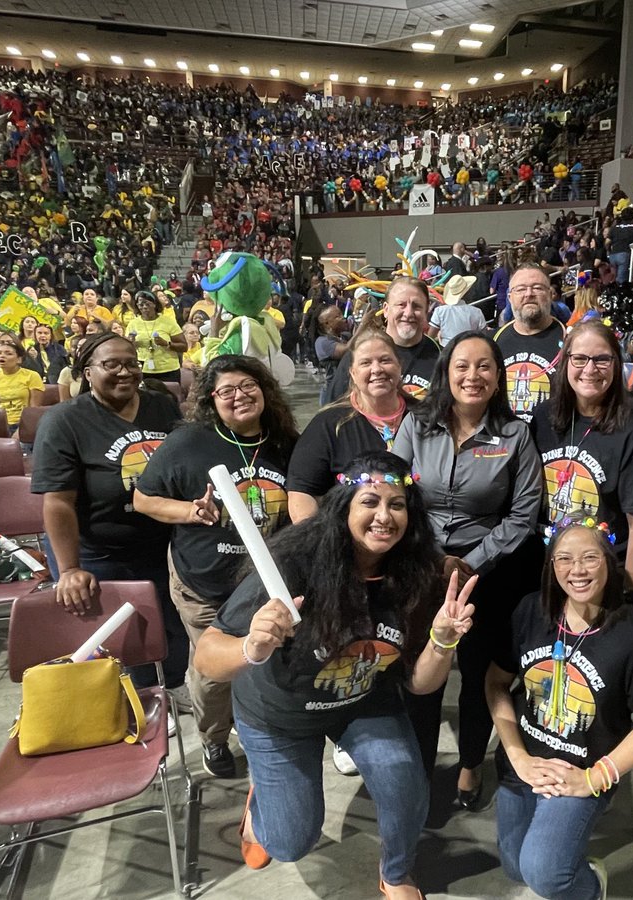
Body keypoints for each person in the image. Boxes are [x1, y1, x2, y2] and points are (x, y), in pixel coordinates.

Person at [192, 451, 477, 900]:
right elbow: (207, 658)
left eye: (397, 505)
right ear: (344, 505)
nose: (384, 516)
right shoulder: (292, 566)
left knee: (406, 780)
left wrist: (443, 640)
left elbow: (421, 685)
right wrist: (253, 646)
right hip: (279, 714)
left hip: (364, 699)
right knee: (289, 842)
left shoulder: (416, 574)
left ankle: (398, 874)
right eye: (370, 502)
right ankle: (262, 802)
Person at [392, 331, 543, 804]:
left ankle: (471, 766)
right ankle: (417, 770)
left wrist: (470, 564)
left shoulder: (516, 435)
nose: (472, 376)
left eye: (484, 366)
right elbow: (394, 491)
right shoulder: (417, 424)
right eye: (462, 365)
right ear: (446, 372)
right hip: (421, 568)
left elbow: (523, 515)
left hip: (489, 573)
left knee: (479, 678)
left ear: (498, 377)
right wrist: (428, 557)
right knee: (421, 673)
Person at [134, 355, 299, 779]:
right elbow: (144, 499)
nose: (239, 396)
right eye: (226, 391)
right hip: (202, 582)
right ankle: (214, 737)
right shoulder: (189, 442)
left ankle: (262, 726)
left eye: (248, 385)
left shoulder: (286, 442)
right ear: (212, 400)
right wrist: (190, 511)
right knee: (213, 671)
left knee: (266, 659)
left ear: (264, 389)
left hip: (263, 584)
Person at [486, 519, 633, 900]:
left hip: (581, 772)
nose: (577, 570)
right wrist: (518, 756)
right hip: (525, 765)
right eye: (564, 559)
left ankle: (590, 888)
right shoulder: (530, 612)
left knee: (546, 875)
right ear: (552, 568)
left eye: (589, 558)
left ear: (609, 563)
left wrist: (592, 780)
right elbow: (496, 683)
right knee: (515, 866)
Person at [30, 332, 188, 693]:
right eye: (111, 364)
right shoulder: (64, 421)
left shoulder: (161, 406)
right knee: (121, 636)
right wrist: (69, 569)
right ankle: (130, 698)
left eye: (132, 363)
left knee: (171, 625)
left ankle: (170, 689)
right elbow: (57, 501)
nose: (124, 372)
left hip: (164, 545)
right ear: (87, 372)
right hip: (98, 552)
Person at [531, 321, 633, 594]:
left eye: (602, 359)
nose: (590, 369)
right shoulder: (542, 417)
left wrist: (625, 589)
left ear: (616, 364)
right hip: (545, 568)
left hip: (600, 575)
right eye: (580, 359)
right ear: (566, 362)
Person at [288, 329, 414, 522]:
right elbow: (301, 493)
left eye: (385, 360)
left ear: (400, 366)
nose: (377, 369)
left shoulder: (424, 417)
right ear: (353, 373)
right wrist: (319, 543)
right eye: (366, 363)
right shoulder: (328, 424)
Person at [328, 278, 440, 401]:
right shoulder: (360, 354)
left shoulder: (443, 357)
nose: (408, 313)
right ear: (386, 310)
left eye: (417, 306)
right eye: (401, 305)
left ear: (426, 311)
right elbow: (333, 409)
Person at [495, 264, 567, 423]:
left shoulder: (571, 341)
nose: (529, 294)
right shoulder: (492, 342)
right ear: (510, 297)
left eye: (537, 288)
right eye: (520, 289)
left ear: (550, 294)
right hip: (504, 441)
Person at [0, 338, 44, 436]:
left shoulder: (31, 376)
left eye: (8, 353)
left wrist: (20, 431)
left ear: (19, 359)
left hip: (23, 424)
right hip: (0, 425)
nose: (2, 356)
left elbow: (34, 410)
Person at [127, 290, 185, 383]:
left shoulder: (168, 322)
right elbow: (128, 348)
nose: (144, 307)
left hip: (168, 370)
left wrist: (166, 344)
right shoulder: (133, 324)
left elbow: (183, 346)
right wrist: (130, 343)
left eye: (147, 304)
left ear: (154, 304)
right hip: (144, 369)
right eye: (141, 305)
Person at [430, 275, 487, 343]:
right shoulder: (476, 312)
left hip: (446, 349)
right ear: (467, 292)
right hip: (468, 348)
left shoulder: (440, 311)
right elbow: (484, 336)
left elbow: (430, 336)